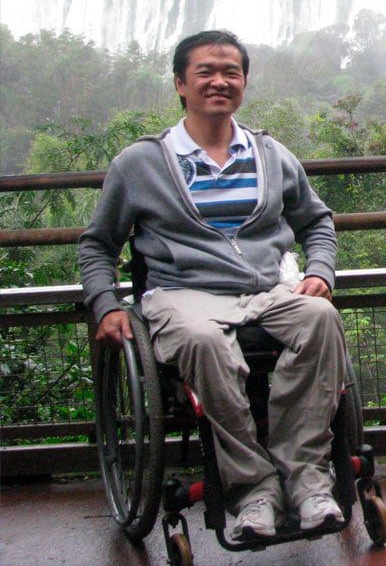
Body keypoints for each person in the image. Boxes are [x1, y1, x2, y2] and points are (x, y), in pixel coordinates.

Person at [79, 30, 347, 541]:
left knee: (320, 317)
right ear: (181, 83)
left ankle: (308, 482)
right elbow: (98, 245)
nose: (219, 82)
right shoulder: (140, 164)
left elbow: (316, 221)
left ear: (244, 83)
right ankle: (254, 491)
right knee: (202, 340)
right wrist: (105, 303)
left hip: (266, 290)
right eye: (205, 72)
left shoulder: (271, 154)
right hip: (183, 295)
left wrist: (319, 272)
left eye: (231, 72)